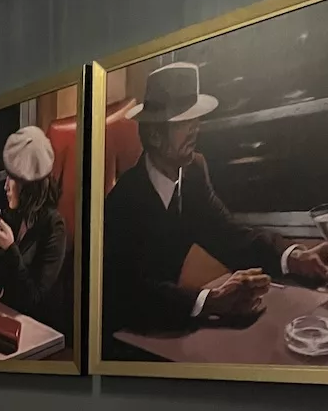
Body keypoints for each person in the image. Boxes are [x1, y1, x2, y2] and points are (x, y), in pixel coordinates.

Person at [103, 62, 328, 336]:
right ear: (154, 135)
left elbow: (228, 234)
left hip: (171, 322)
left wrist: (292, 257)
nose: (195, 129)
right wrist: (210, 300)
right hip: (121, 332)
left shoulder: (194, 172)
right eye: (184, 122)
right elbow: (129, 294)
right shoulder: (122, 202)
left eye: (195, 120)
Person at [0, 125, 68, 332]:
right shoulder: (12, 215)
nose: (6, 186)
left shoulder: (54, 226)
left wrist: (11, 247)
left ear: (29, 186)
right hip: (11, 320)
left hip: (40, 328)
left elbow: (34, 299)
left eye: (12, 179)